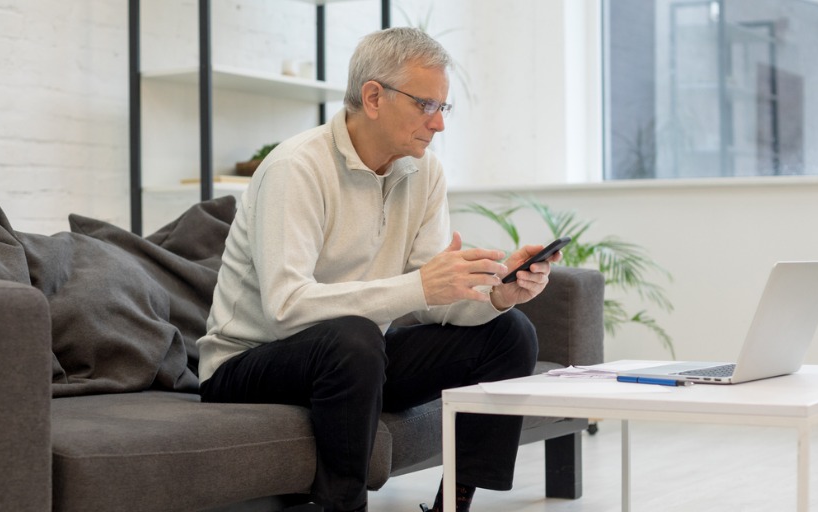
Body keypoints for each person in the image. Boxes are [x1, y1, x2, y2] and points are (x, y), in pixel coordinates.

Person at [196, 27, 561, 512]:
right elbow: (285, 308)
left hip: (355, 360)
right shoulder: (296, 169)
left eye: (443, 108)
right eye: (425, 105)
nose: (438, 125)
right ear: (373, 97)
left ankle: (454, 503)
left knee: (509, 333)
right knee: (355, 337)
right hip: (248, 363)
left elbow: (431, 301)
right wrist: (417, 286)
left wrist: (497, 294)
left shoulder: (423, 171)